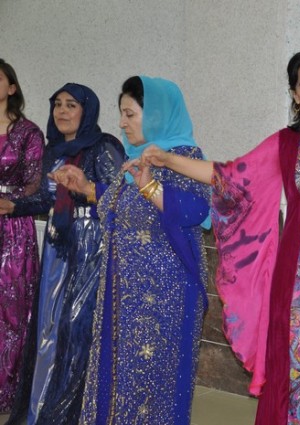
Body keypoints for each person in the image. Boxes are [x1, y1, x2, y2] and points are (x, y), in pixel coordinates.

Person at [139, 47, 300, 424]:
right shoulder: (286, 145)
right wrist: (168, 160)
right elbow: (229, 176)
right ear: (295, 95)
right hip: (298, 294)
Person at [49, 76, 210, 424]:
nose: (122, 122)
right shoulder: (137, 158)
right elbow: (125, 207)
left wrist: (150, 185)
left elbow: (196, 210)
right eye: (121, 114)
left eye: (130, 114)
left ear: (156, 115)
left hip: (163, 296)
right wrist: (87, 187)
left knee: (151, 383)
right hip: (123, 290)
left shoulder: (183, 157)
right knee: (119, 378)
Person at [5, 83, 124, 424]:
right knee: (49, 329)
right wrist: (13, 206)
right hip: (58, 248)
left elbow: (118, 198)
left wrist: (85, 190)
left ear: (87, 111)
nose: (62, 111)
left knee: (77, 331)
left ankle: (73, 414)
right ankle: (42, 409)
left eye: (71, 105)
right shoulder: (53, 150)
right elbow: (45, 198)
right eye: (57, 104)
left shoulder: (103, 146)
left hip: (91, 249)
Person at [0, 59, 45, 413]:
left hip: (13, 227)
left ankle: (10, 392)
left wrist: (6, 200)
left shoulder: (29, 132)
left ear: (12, 88)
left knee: (13, 310)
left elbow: (34, 184)